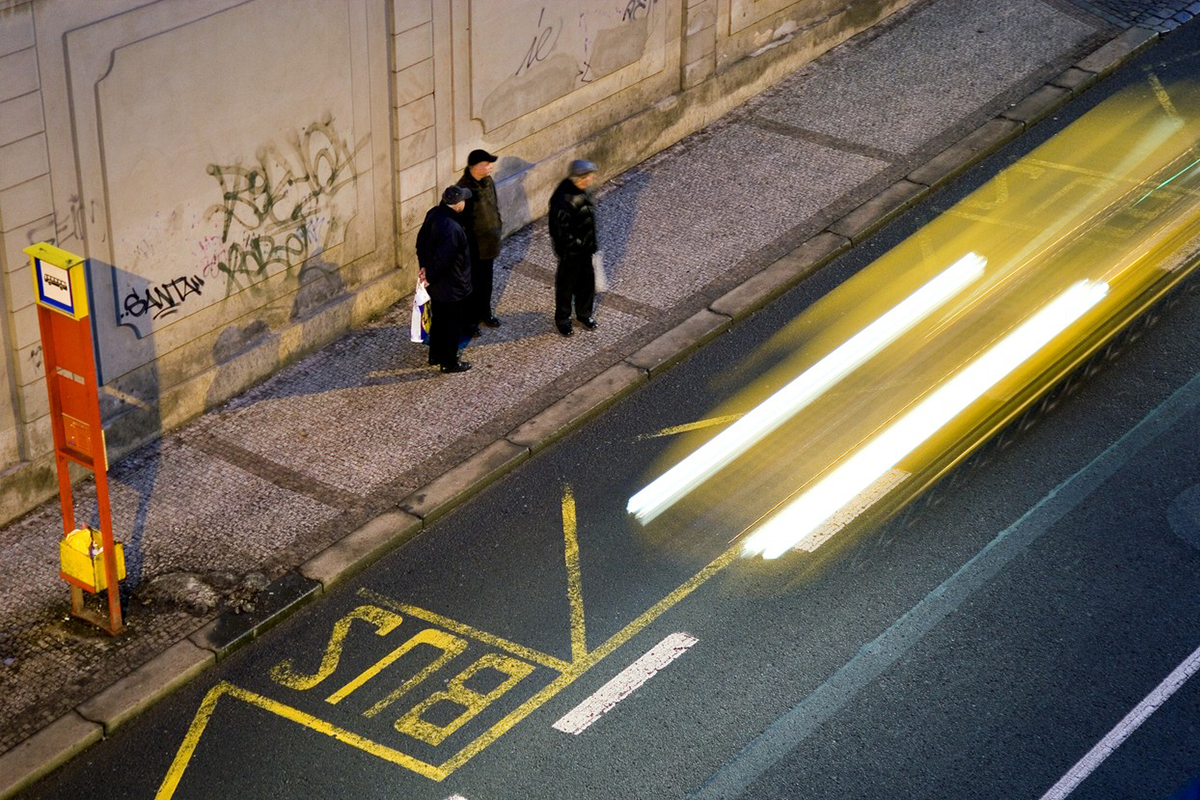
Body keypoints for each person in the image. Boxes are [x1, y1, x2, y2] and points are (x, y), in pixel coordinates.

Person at [416, 185, 473, 373]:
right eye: (463, 200)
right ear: (457, 205)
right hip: (451, 285)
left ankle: (435, 355)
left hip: (438, 284)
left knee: (439, 320)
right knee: (452, 325)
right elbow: (445, 260)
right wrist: (430, 276)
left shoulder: (433, 214)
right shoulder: (453, 228)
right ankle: (449, 362)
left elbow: (421, 242)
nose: (465, 202)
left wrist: (423, 267)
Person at [548, 159, 599, 337]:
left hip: (585, 249)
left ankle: (584, 315)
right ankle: (563, 319)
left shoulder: (584, 190)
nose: (592, 179)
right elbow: (559, 230)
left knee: (587, 283)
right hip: (570, 253)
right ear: (579, 178)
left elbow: (589, 220)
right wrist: (575, 246)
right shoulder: (563, 198)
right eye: (589, 176)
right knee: (566, 286)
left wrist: (591, 244)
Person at [456, 149, 503, 333]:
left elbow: (493, 206)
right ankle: (470, 321)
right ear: (474, 167)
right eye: (486, 164)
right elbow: (459, 221)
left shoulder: (488, 181)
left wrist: (497, 225)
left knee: (486, 282)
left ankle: (485, 313)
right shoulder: (463, 190)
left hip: (489, 244)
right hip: (474, 247)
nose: (490, 167)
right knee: (472, 286)